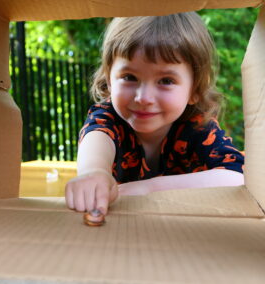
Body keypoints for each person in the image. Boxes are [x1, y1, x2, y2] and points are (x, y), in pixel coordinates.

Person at [65, 12, 245, 215]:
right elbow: (95, 148)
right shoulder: (107, 118)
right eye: (129, 77)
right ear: (109, 79)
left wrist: (148, 188)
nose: (143, 97)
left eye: (166, 81)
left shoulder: (197, 126)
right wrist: (94, 173)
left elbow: (237, 176)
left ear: (194, 89)